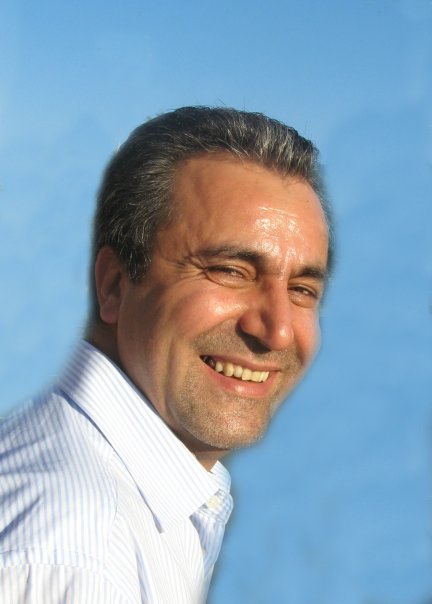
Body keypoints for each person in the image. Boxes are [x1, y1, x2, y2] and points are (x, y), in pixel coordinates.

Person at [0, 106, 332, 603]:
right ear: (114, 285)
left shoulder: (127, 502)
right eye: (230, 271)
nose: (279, 330)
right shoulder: (82, 560)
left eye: (303, 289)